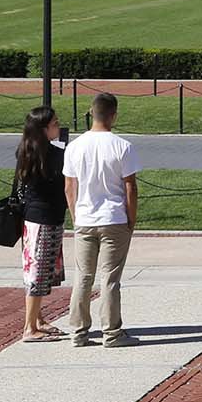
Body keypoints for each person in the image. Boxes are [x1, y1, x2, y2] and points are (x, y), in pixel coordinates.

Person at [62, 91, 139, 348]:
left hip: (85, 218)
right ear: (114, 115)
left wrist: (76, 216)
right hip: (113, 218)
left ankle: (78, 332)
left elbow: (69, 187)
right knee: (110, 278)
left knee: (83, 277)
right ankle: (112, 332)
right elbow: (130, 187)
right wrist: (131, 218)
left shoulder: (74, 146)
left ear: (91, 113)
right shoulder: (122, 146)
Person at [12, 106, 68, 343]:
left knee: (40, 271)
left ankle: (38, 319)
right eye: (55, 123)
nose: (58, 126)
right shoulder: (51, 156)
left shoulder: (27, 151)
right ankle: (29, 327)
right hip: (44, 219)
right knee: (38, 273)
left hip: (34, 218)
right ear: (44, 129)